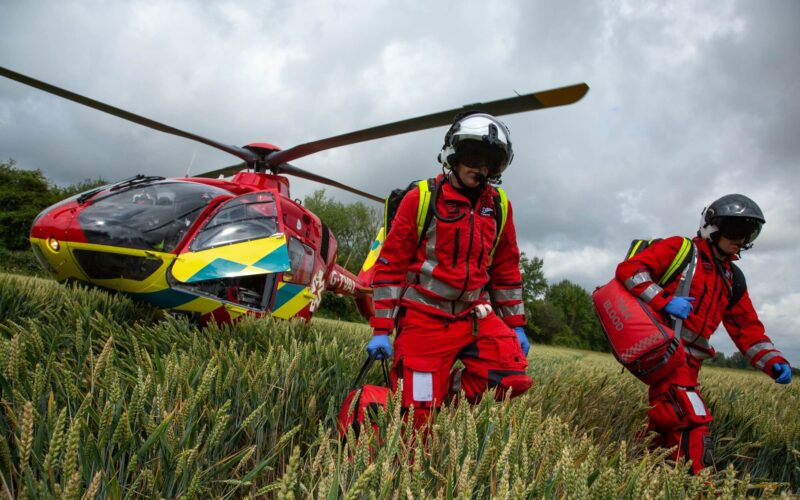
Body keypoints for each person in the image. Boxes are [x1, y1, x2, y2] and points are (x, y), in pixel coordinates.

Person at [366, 112, 532, 428]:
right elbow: (389, 268)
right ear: (453, 155)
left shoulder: (500, 206)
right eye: (472, 156)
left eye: (491, 163)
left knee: (513, 378)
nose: (480, 167)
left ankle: (443, 390)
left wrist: (516, 324)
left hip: (474, 318)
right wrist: (381, 329)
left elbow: (507, 270)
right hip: (424, 321)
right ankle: (424, 396)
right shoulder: (422, 199)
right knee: (418, 426)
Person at [615, 194, 792, 474]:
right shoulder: (681, 250)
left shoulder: (733, 278)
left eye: (748, 234)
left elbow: (747, 328)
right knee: (691, 418)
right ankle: (697, 485)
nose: (740, 240)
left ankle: (638, 469)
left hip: (691, 364)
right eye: (735, 231)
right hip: (665, 352)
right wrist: (663, 299)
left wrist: (772, 360)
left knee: (665, 422)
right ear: (712, 227)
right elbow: (630, 270)